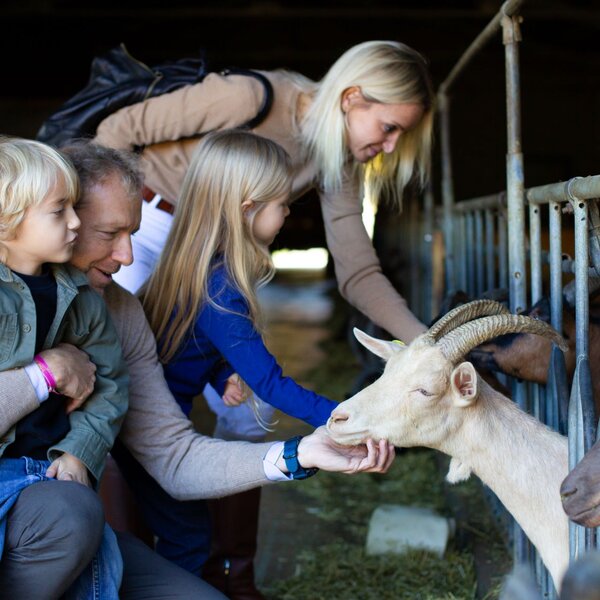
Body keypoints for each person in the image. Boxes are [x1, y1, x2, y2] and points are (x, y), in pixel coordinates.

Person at [0, 140, 395, 599]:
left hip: (64, 521)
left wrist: (299, 453)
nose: (128, 257)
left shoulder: (119, 312)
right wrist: (44, 374)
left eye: (132, 233)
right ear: (59, 219)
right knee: (72, 511)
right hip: (51, 516)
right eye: (108, 234)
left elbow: (172, 455)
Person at [95, 40, 434, 346]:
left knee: (248, 395)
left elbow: (358, 271)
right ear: (351, 98)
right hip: (146, 227)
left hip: (212, 255)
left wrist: (425, 342)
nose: (390, 148)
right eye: (389, 128)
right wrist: (110, 228)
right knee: (121, 352)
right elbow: (119, 130)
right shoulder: (250, 97)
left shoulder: (339, 163)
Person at [0, 137, 129, 599]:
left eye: (75, 207)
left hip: (50, 472)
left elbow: (111, 383)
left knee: (93, 567)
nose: (76, 222)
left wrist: (79, 451)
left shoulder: (82, 299)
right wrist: (46, 372)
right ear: (5, 221)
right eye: (59, 211)